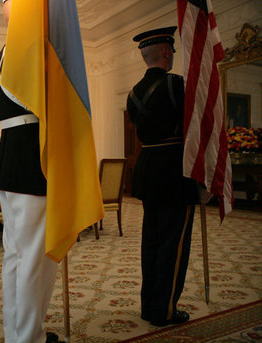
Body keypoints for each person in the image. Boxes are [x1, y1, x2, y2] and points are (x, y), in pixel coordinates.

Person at [0, 1, 61, 342]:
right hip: (33, 162)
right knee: (34, 259)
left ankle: (16, 332)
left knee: (16, 258)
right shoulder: (33, 49)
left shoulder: (0, 55)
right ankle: (28, 337)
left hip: (9, 162)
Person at [126, 26, 198, 327]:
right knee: (173, 244)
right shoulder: (175, 85)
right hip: (174, 172)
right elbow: (194, 127)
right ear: (166, 52)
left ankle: (149, 305)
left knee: (152, 241)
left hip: (147, 170)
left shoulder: (132, 93)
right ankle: (164, 310)